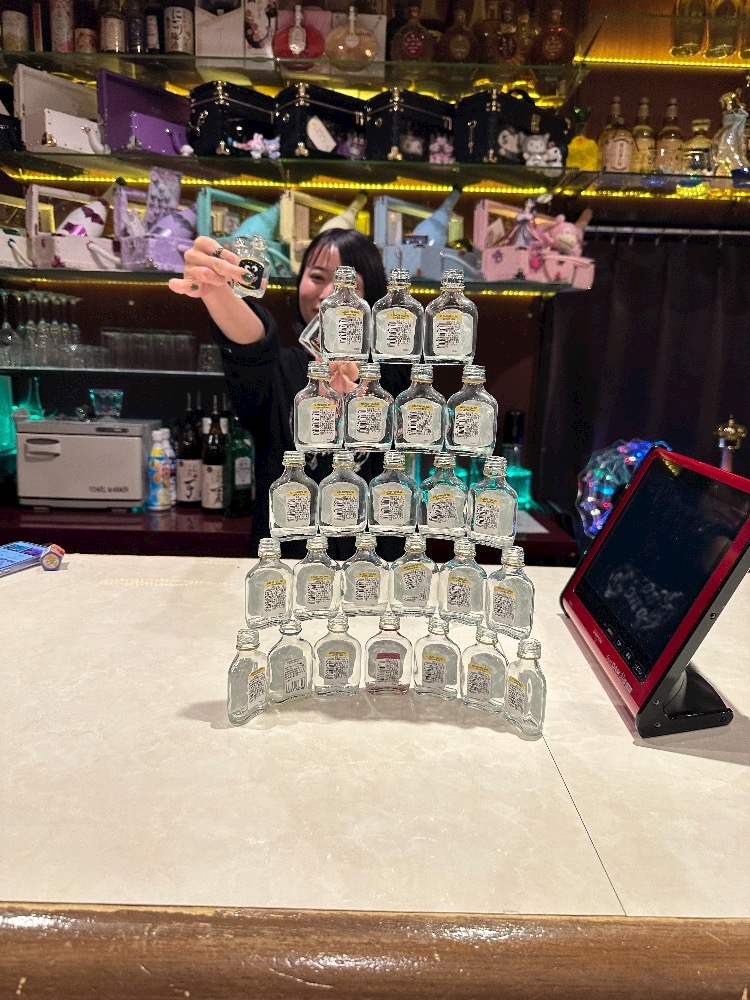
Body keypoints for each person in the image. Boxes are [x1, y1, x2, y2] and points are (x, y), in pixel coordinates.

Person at [169, 227, 411, 558]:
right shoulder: (280, 371)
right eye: (317, 277)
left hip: (375, 568)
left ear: (372, 299)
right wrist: (217, 292)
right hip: (285, 569)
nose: (329, 295)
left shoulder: (397, 375)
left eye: (348, 284)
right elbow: (252, 346)